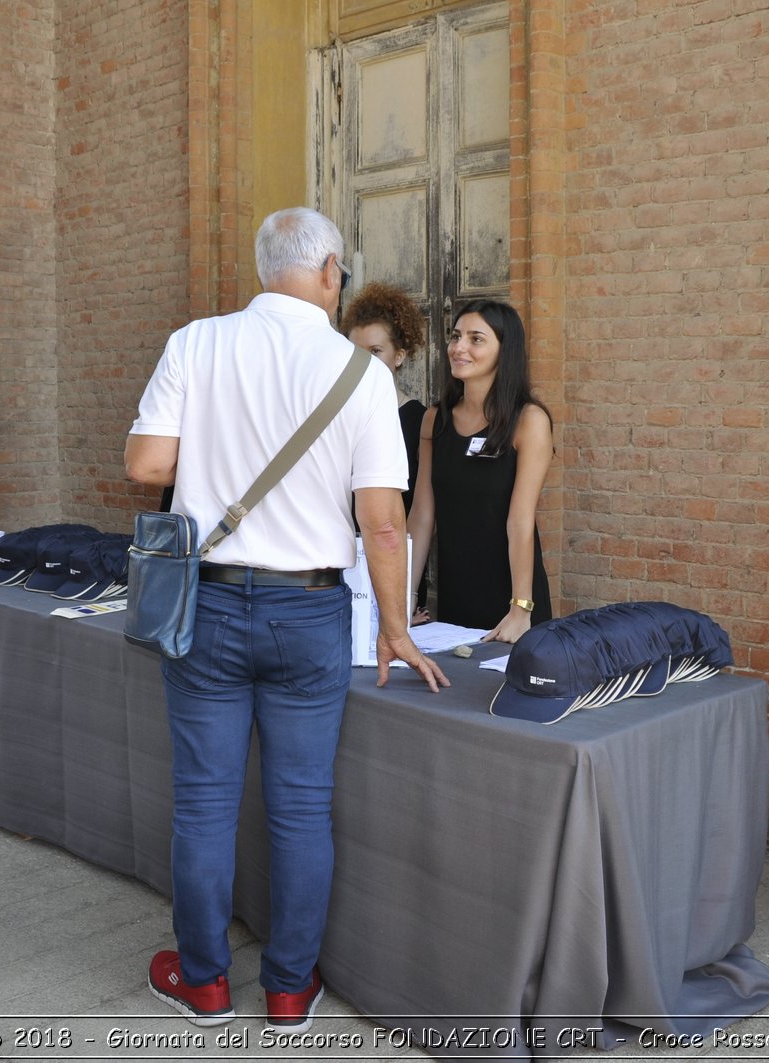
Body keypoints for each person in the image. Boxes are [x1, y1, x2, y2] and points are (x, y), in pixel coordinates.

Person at [126, 206, 447, 1035]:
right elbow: (382, 520)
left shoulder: (195, 343)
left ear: (266, 266)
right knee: (301, 806)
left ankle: (201, 984)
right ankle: (288, 990)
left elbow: (147, 464)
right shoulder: (361, 374)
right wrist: (394, 627)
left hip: (209, 600)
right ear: (332, 271)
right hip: (308, 610)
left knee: (203, 803)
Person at [408, 299, 553, 643]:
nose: (459, 348)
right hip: (456, 594)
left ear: (506, 350)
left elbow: (520, 521)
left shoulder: (528, 421)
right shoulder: (435, 419)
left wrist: (520, 609)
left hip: (511, 598)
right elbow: (421, 516)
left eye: (476, 339)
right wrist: (403, 598)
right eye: (456, 336)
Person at [342, 280, 429, 618]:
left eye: (375, 352)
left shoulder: (419, 420)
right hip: (340, 570)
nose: (363, 362)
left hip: (395, 574)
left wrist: (407, 591)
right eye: (356, 352)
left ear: (400, 356)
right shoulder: (335, 419)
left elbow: (421, 514)